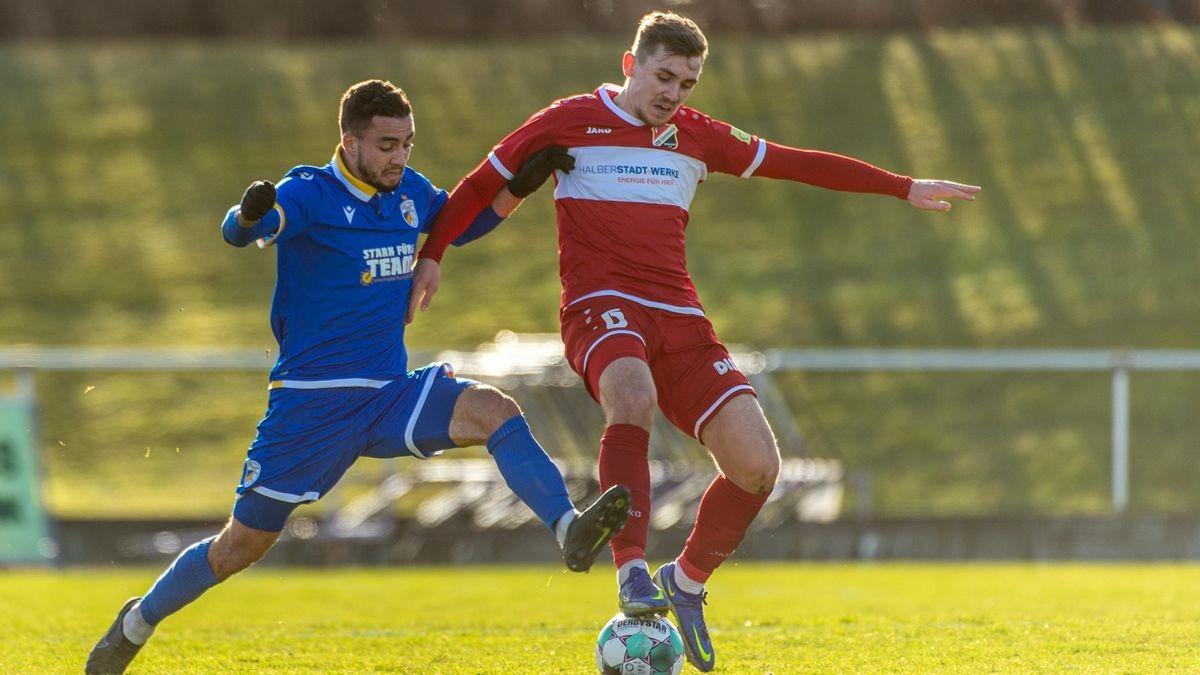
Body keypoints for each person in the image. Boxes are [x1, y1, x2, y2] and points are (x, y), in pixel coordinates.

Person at [409, 11, 980, 672]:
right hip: (601, 306)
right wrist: (434, 254)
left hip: (680, 318)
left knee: (758, 467)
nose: (674, 93)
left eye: (687, 81)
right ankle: (631, 571)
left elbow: (797, 162)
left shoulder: (696, 136)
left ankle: (686, 583)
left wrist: (903, 186)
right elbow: (481, 184)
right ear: (631, 64)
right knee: (632, 392)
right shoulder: (567, 119)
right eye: (663, 76)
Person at [85, 79, 628, 675]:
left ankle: (568, 528)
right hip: (311, 406)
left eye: (408, 144)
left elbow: (460, 224)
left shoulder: (408, 193)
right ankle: (136, 623)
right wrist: (246, 214)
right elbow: (244, 233)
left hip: (390, 394)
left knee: (493, 409)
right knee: (238, 548)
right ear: (350, 142)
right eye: (388, 145)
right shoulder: (309, 193)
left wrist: (520, 185)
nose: (401, 157)